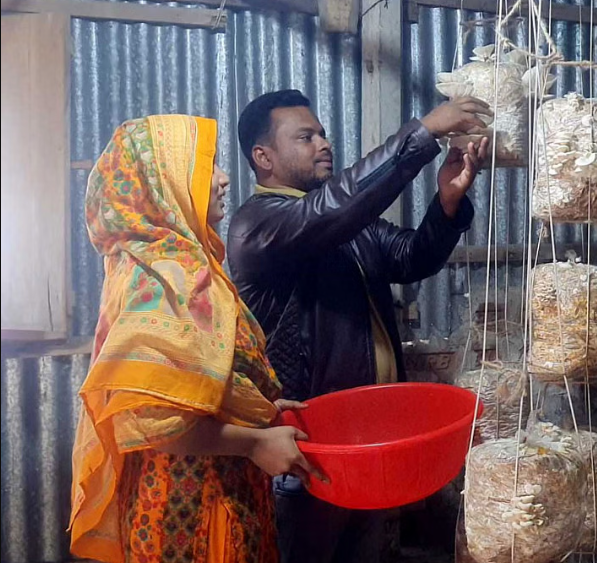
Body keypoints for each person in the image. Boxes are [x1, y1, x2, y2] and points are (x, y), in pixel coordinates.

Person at [226, 90, 491, 562]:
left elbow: (412, 257)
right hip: (308, 454)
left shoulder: (345, 224)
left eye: (323, 134)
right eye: (304, 137)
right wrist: (423, 133)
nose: (322, 144)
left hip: (369, 447)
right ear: (262, 156)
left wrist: (447, 203)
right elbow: (329, 211)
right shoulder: (258, 225)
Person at [69, 115, 324, 563]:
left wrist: (254, 404)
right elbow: (150, 418)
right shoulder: (164, 276)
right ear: (163, 184)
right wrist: (254, 442)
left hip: (217, 492)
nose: (224, 179)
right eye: (207, 168)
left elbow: (192, 382)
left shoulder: (186, 263)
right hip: (187, 512)